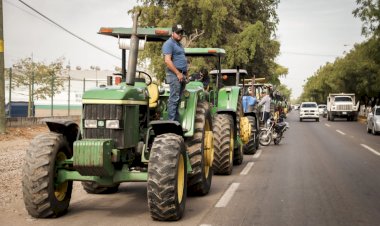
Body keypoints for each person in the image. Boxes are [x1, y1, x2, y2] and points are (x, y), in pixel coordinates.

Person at [162, 24, 187, 121]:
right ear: (172, 33)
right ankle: (171, 122)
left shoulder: (180, 45)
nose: (180, 34)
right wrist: (178, 73)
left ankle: (175, 122)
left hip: (181, 74)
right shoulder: (169, 44)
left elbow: (183, 59)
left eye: (181, 32)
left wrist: (186, 73)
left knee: (179, 100)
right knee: (174, 99)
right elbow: (167, 61)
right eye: (178, 32)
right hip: (174, 75)